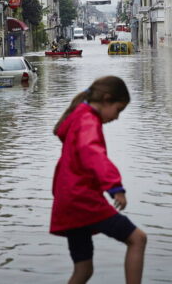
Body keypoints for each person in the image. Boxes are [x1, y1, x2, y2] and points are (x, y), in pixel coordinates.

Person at [50, 76, 147, 284]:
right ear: (106, 99)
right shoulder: (88, 120)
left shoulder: (78, 116)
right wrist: (115, 187)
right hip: (82, 200)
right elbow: (92, 153)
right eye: (118, 110)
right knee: (138, 239)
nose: (117, 117)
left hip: (68, 201)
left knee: (83, 269)